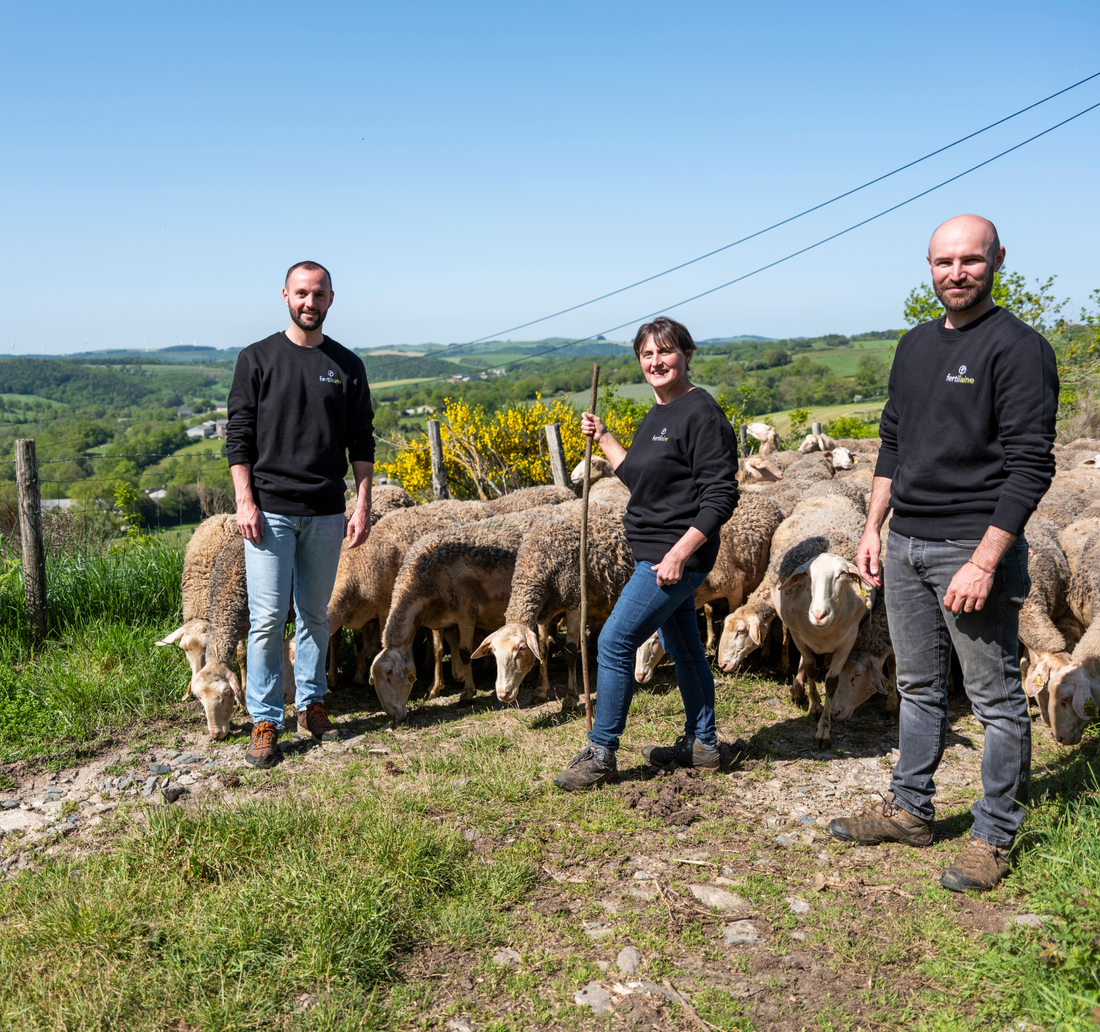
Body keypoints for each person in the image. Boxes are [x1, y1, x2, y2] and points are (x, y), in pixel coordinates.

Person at [828, 215, 1058, 891]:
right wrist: (873, 529)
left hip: (970, 545)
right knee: (921, 685)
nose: (956, 273)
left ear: (997, 261)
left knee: (993, 699)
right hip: (905, 543)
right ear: (928, 266)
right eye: (943, 262)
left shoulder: (1018, 349)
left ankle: (992, 836)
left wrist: (986, 560)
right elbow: (893, 444)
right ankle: (910, 810)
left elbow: (1029, 465)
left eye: (970, 261)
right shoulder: (914, 346)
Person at [553, 317, 739, 790]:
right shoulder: (659, 414)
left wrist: (679, 555)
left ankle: (600, 751)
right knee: (686, 650)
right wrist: (605, 438)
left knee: (614, 642)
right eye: (647, 355)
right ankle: (703, 745)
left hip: (672, 559)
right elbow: (641, 478)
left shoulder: (702, 415)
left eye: (666, 351)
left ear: (687, 354)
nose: (656, 362)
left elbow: (721, 497)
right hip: (654, 552)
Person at [226, 260, 375, 768]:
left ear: (332, 299)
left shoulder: (347, 365)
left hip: (328, 512)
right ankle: (265, 719)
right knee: (267, 619)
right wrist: (245, 501)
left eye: (319, 294)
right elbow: (239, 436)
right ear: (285, 296)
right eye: (301, 294)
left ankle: (310, 705)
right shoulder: (257, 358)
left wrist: (363, 502)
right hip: (270, 512)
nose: (310, 303)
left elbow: (362, 439)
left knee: (315, 615)